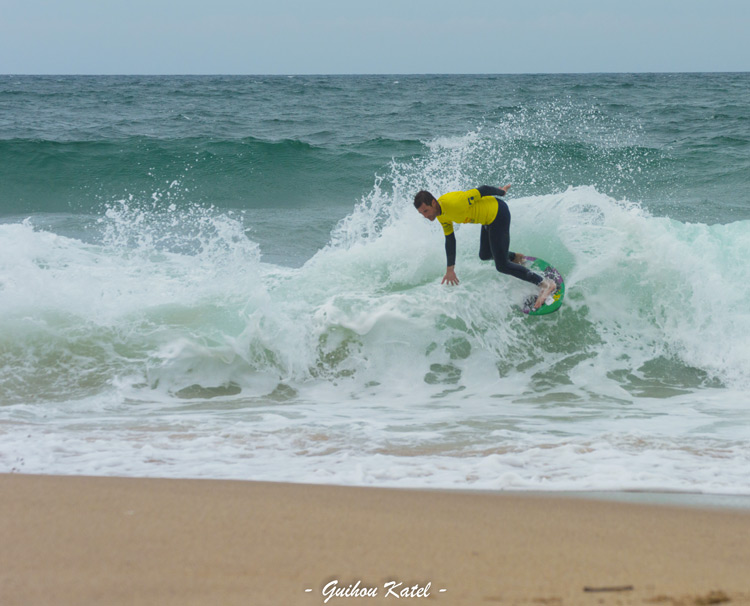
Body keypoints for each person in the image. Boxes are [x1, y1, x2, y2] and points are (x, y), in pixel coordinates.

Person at [413, 184, 556, 310]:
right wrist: (450, 269)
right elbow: (450, 239)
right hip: (487, 220)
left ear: (433, 203)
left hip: (498, 214)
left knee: (502, 266)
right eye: (421, 213)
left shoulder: (455, 202)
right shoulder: (441, 214)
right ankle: (515, 257)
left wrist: (502, 192)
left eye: (426, 211)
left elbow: (482, 190)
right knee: (485, 254)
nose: (425, 216)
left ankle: (545, 284)